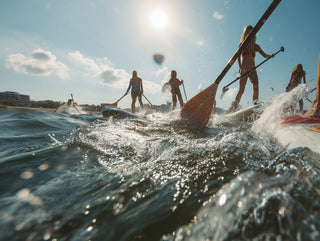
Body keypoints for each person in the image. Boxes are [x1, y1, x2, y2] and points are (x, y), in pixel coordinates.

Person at [230, 25, 274, 112]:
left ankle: (255, 105)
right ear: (245, 33)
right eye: (248, 32)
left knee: (256, 86)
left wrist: (270, 55)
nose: (250, 33)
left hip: (253, 69)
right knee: (242, 89)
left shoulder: (255, 46)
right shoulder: (242, 44)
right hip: (244, 69)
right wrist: (240, 68)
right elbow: (237, 57)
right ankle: (234, 109)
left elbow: (264, 55)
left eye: (251, 32)